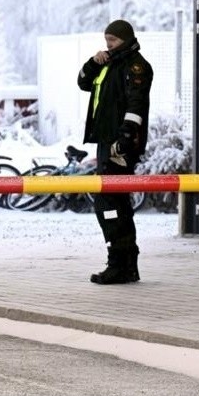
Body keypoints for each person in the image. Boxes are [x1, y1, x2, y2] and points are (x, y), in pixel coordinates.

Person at [77, 19, 152, 285]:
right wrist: (93, 63)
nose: (107, 44)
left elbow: (136, 103)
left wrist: (124, 139)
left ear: (126, 39)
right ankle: (124, 263)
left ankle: (121, 263)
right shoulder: (108, 64)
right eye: (106, 39)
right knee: (114, 202)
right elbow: (84, 83)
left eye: (113, 40)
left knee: (109, 203)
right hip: (106, 141)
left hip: (119, 145)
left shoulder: (135, 66)